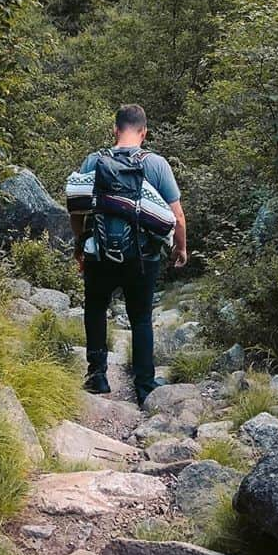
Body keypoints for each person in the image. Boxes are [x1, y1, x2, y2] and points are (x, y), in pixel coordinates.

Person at [67, 103, 187, 406]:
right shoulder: (157, 164)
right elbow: (178, 217)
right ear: (144, 132)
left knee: (95, 308)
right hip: (143, 257)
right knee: (142, 319)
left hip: (100, 253)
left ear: (115, 130)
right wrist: (180, 248)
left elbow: (76, 208)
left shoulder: (94, 161)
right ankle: (145, 385)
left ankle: (98, 377)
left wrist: (80, 244)